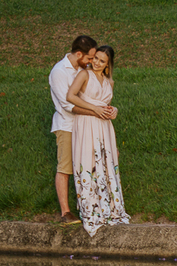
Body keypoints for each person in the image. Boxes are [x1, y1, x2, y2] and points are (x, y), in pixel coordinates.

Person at [66, 45, 130, 236]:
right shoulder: (84, 75)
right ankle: (92, 210)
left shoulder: (109, 81)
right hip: (86, 123)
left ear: (108, 64)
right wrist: (94, 109)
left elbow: (106, 104)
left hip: (104, 126)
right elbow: (70, 96)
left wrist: (113, 110)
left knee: (104, 163)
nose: (96, 63)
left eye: (102, 61)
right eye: (96, 58)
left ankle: (109, 208)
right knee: (89, 162)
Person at [49, 35, 97, 226]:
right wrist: (94, 111)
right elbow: (67, 105)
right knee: (65, 168)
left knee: (87, 165)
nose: (91, 62)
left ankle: (88, 206)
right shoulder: (59, 72)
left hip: (85, 125)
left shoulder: (83, 69)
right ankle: (65, 212)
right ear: (79, 54)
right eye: (89, 58)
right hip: (67, 125)